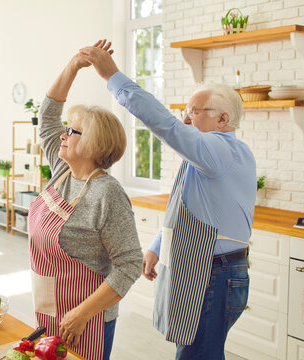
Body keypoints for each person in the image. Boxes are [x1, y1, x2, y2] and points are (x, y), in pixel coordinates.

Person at [80, 40, 256, 359]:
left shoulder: (221, 149)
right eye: (185, 112)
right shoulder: (207, 157)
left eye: (193, 112)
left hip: (216, 274)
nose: (186, 120)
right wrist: (158, 246)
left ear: (223, 118)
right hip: (205, 269)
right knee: (194, 349)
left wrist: (112, 76)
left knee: (196, 354)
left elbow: (166, 125)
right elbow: (190, 209)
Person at [28, 41, 143, 360]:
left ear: (94, 145)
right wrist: (74, 65)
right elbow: (48, 115)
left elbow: (129, 264)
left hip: (88, 318)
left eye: (73, 132)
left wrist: (81, 314)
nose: (63, 135)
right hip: (48, 307)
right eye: (67, 129)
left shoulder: (107, 194)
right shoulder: (61, 170)